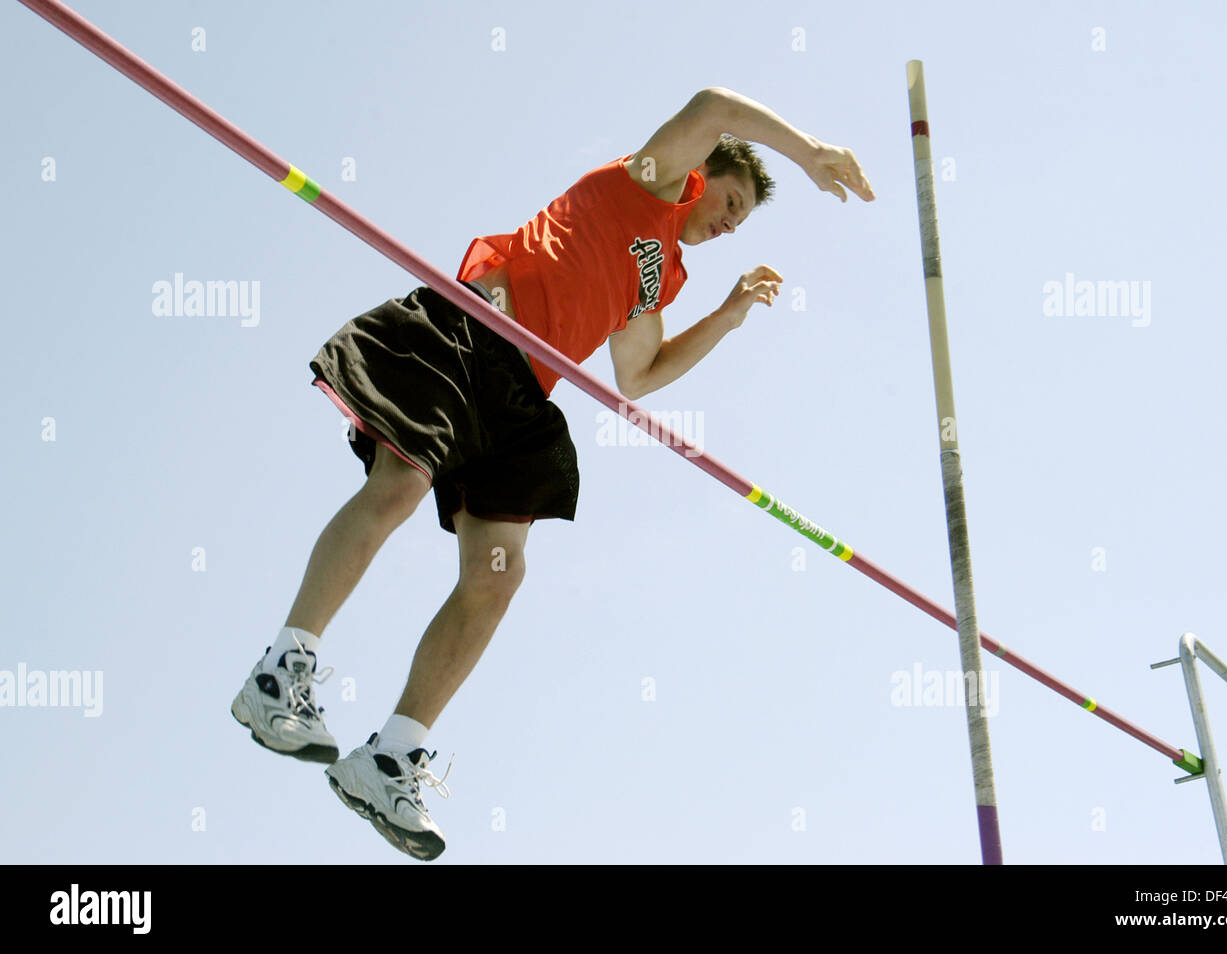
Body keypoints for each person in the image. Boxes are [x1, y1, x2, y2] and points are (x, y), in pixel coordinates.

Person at [230, 86, 874, 860]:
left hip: (522, 396)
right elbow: (712, 105)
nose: (731, 222)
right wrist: (810, 153)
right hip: (474, 330)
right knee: (398, 484)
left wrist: (728, 315)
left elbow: (639, 375)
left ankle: (392, 755)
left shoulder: (658, 277)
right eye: (732, 200)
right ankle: (280, 674)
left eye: (740, 221)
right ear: (704, 171)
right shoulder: (650, 179)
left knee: (498, 574)